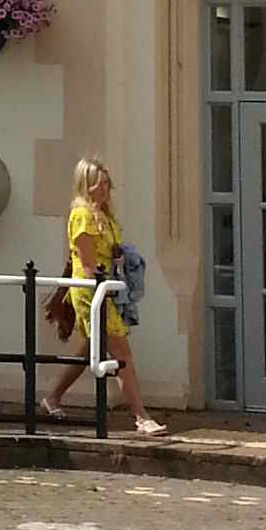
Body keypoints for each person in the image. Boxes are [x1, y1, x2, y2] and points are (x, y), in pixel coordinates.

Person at [42, 155, 165, 434]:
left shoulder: (105, 216)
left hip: (105, 287)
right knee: (122, 353)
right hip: (92, 292)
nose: (105, 189)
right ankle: (141, 417)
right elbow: (87, 266)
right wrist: (104, 290)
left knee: (89, 348)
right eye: (99, 184)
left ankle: (51, 397)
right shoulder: (83, 216)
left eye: (108, 184)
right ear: (86, 185)